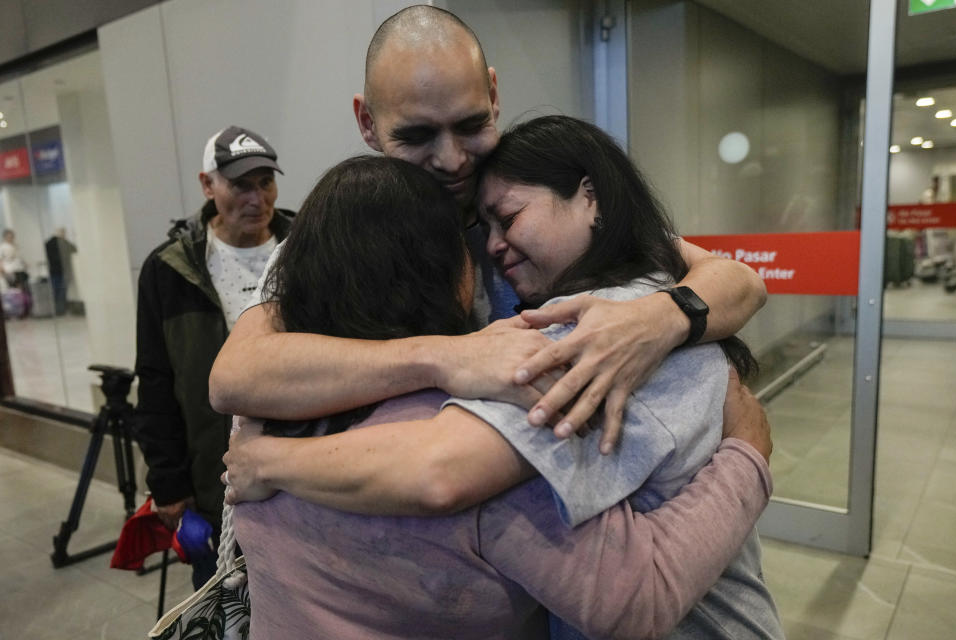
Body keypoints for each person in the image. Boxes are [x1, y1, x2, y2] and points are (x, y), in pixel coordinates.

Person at [228, 154, 775, 639]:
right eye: (474, 236)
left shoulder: (267, 412)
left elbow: (732, 278)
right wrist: (747, 457)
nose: (492, 249)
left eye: (506, 219)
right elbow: (637, 601)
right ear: (449, 273)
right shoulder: (483, 434)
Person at [208, 5, 768, 454]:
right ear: (367, 123)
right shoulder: (345, 236)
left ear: (494, 95)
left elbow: (738, 280)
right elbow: (236, 376)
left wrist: (658, 319)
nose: (453, 161)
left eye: (472, 124)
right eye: (419, 136)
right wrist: (442, 358)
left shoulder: (524, 198)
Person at [133, 125, 294, 589]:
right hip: (214, 490)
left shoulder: (309, 248)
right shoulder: (169, 270)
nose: (256, 198)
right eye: (240, 184)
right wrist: (169, 486)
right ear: (208, 185)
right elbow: (156, 381)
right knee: (225, 618)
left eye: (265, 182)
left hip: (301, 480)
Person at [44, 227, 77, 316]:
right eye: (63, 232)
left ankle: (60, 310)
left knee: (60, 291)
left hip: (59, 271)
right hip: (57, 271)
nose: (64, 234)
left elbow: (74, 249)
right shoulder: (53, 243)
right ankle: (58, 310)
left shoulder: (62, 243)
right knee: (58, 291)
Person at [1, 229, 32, 318]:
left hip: (19, 269)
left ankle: (24, 309)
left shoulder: (16, 246)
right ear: (5, 237)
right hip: (10, 270)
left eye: (12, 236)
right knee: (15, 291)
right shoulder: (3, 247)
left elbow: (20, 257)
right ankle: (16, 311)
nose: (11, 238)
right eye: (9, 236)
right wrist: (2, 270)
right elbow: (1, 260)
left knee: (23, 289)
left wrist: (25, 264)